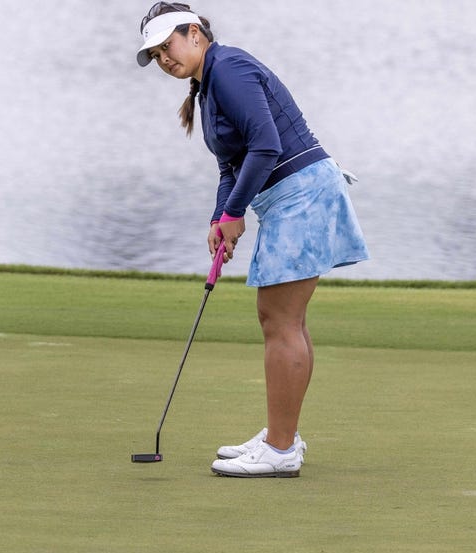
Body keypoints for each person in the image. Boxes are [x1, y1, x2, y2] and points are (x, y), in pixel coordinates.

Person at [136, 2, 369, 478]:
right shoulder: (206, 87)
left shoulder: (231, 69)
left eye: (169, 45)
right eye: (156, 54)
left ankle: (281, 449)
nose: (164, 58)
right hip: (293, 198)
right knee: (284, 319)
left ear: (195, 33)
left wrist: (236, 212)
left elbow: (267, 146)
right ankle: (282, 437)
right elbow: (231, 165)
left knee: (279, 319)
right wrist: (220, 218)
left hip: (301, 196)